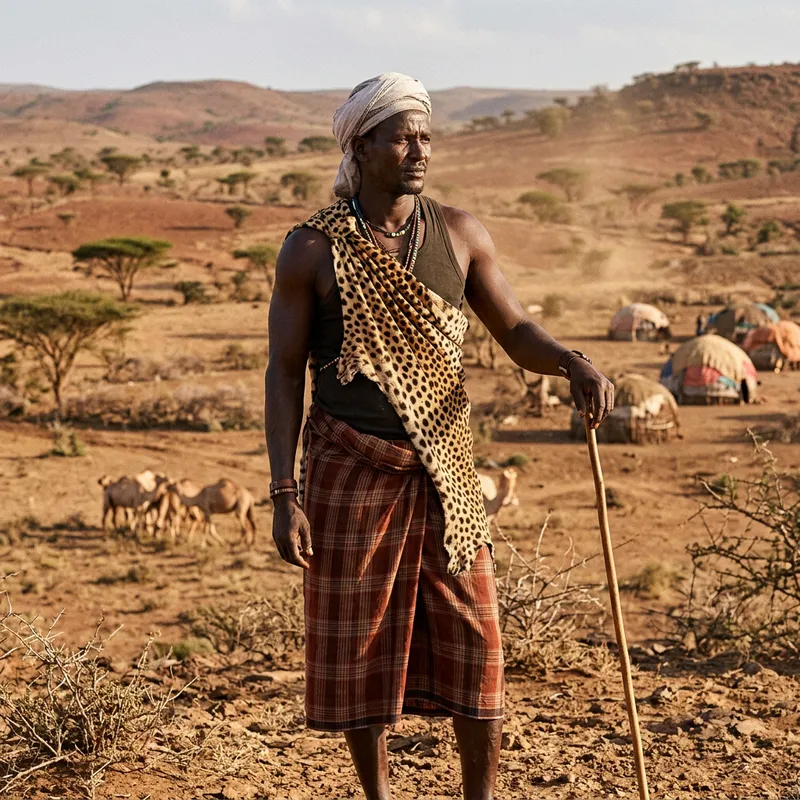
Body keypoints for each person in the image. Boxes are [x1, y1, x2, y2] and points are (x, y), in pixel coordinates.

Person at [264, 73, 614, 800]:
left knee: (479, 642)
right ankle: (379, 797)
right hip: (348, 468)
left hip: (447, 470)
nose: (419, 149)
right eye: (401, 135)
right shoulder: (311, 250)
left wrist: (572, 361)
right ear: (361, 147)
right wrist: (283, 493)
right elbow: (282, 372)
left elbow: (516, 332)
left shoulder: (460, 234)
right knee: (359, 651)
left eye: (425, 134)